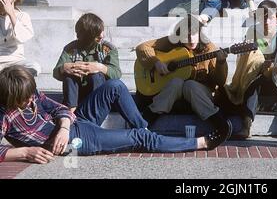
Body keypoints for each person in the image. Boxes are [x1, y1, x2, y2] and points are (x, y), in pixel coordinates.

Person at [0, 66, 224, 164]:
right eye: (25, 99)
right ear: (10, 97)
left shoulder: (31, 94)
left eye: (32, 95)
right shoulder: (4, 114)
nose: (32, 100)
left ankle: (146, 129)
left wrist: (64, 125)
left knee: (115, 85)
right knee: (139, 139)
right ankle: (201, 143)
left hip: (73, 126)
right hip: (76, 142)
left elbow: (59, 108)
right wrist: (25, 152)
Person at [217, 0, 277, 141]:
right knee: (253, 82)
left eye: (269, 17)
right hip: (261, 82)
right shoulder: (253, 34)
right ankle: (247, 124)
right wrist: (258, 65)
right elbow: (247, 63)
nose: (265, 21)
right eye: (261, 17)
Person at [135, 14, 232, 143]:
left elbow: (219, 81)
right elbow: (142, 47)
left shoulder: (209, 49)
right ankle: (146, 122)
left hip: (200, 97)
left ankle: (221, 125)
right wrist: (156, 62)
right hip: (173, 96)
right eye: (187, 36)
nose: (191, 39)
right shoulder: (171, 42)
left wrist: (221, 63)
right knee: (176, 82)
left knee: (189, 85)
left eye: (194, 34)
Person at [53, 13, 121, 112]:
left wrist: (100, 67)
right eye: (97, 34)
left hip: (98, 94)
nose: (102, 36)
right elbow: (56, 73)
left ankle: (94, 110)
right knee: (69, 75)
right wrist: (63, 68)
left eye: (102, 31)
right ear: (87, 36)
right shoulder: (71, 49)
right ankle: (71, 112)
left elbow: (117, 74)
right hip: (76, 94)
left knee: (96, 75)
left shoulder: (108, 49)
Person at [0, 0, 40, 76]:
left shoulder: (23, 16)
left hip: (16, 60)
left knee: (35, 67)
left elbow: (23, 37)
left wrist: (11, 14)